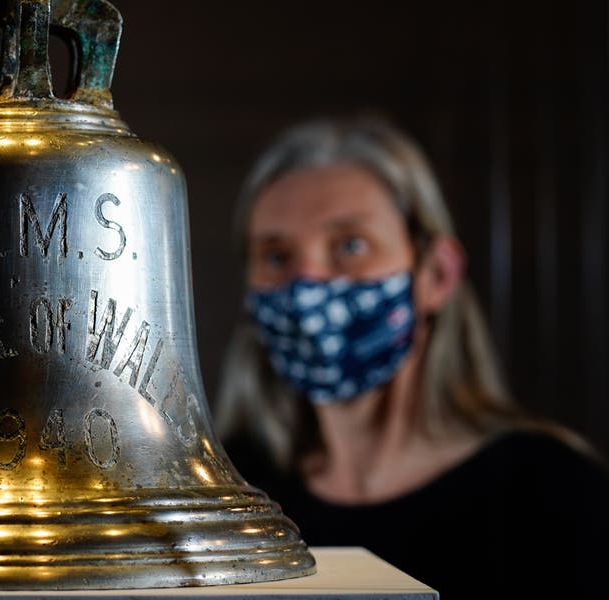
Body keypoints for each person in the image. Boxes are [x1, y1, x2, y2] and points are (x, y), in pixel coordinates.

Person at [215, 117, 609, 599]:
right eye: (277, 257)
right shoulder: (225, 496)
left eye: (350, 246)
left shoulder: (555, 492)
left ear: (437, 274)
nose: (308, 282)